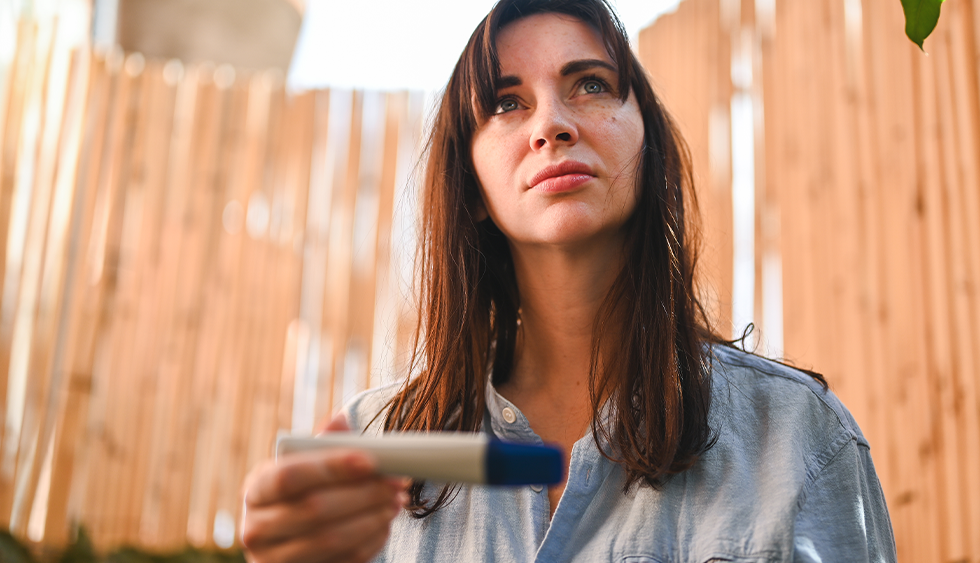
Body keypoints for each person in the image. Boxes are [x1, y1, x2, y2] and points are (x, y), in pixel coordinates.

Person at [241, 0, 897, 561]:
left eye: (589, 84)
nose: (552, 123)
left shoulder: (796, 437)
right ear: (470, 184)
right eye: (505, 102)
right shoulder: (373, 451)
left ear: (650, 142)